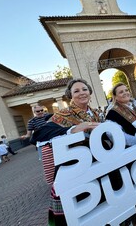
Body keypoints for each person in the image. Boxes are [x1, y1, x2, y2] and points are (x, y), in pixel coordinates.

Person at [32, 78, 101, 226]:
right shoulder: (63, 114)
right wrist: (72, 129)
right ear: (70, 95)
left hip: (95, 164)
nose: (82, 93)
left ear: (90, 92)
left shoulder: (94, 113)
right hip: (73, 167)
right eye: (76, 91)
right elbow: (37, 135)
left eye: (84, 89)